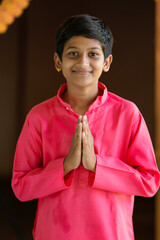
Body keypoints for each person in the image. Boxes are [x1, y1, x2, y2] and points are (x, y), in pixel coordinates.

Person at [11, 14, 160, 240]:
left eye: (93, 54)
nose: (83, 62)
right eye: (73, 54)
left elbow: (150, 182)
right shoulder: (39, 117)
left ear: (107, 62)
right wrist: (64, 166)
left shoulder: (127, 113)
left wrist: (96, 165)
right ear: (58, 61)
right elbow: (21, 186)